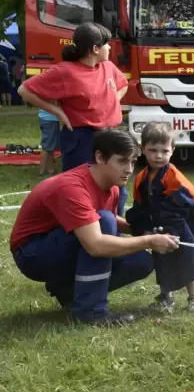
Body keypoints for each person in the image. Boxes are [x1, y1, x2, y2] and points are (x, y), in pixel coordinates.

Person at [9, 129, 179, 325]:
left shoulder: (112, 185)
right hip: (32, 254)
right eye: (122, 161)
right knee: (104, 222)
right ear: (100, 157)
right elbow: (96, 244)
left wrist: (140, 231)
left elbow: (105, 220)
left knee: (141, 261)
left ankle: (69, 292)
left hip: (64, 242)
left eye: (132, 162)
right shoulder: (72, 187)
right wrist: (149, 240)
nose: (129, 169)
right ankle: (91, 311)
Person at [17, 22, 130, 216]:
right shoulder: (66, 71)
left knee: (117, 188)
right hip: (82, 138)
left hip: (111, 136)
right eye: (107, 44)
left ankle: (112, 231)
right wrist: (58, 112)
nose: (110, 47)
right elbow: (24, 90)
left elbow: (123, 84)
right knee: (80, 190)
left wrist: (113, 101)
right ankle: (84, 232)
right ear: (95, 49)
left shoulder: (108, 67)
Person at [125, 122, 194, 312]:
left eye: (164, 150)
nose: (159, 156)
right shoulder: (141, 178)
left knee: (188, 260)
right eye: (153, 150)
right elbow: (139, 204)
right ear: (142, 148)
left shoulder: (173, 175)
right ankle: (166, 297)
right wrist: (141, 221)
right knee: (162, 261)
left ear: (173, 150)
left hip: (179, 228)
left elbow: (191, 198)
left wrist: (168, 216)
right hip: (158, 229)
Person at [38, 108, 60, 176]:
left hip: (48, 118)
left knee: (50, 146)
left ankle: (50, 168)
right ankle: (43, 170)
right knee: (46, 147)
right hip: (50, 119)